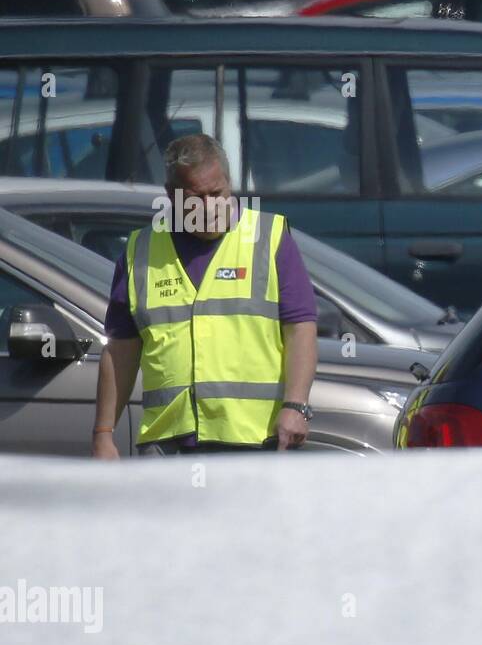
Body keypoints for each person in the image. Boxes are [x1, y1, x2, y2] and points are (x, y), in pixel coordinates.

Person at [91, 134, 318, 458]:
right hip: (169, 445)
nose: (210, 208)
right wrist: (103, 432)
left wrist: (297, 406)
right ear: (171, 195)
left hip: (255, 440)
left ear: (230, 184)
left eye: (218, 194)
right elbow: (120, 351)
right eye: (197, 198)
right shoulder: (140, 252)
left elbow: (301, 329)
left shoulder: (269, 238)